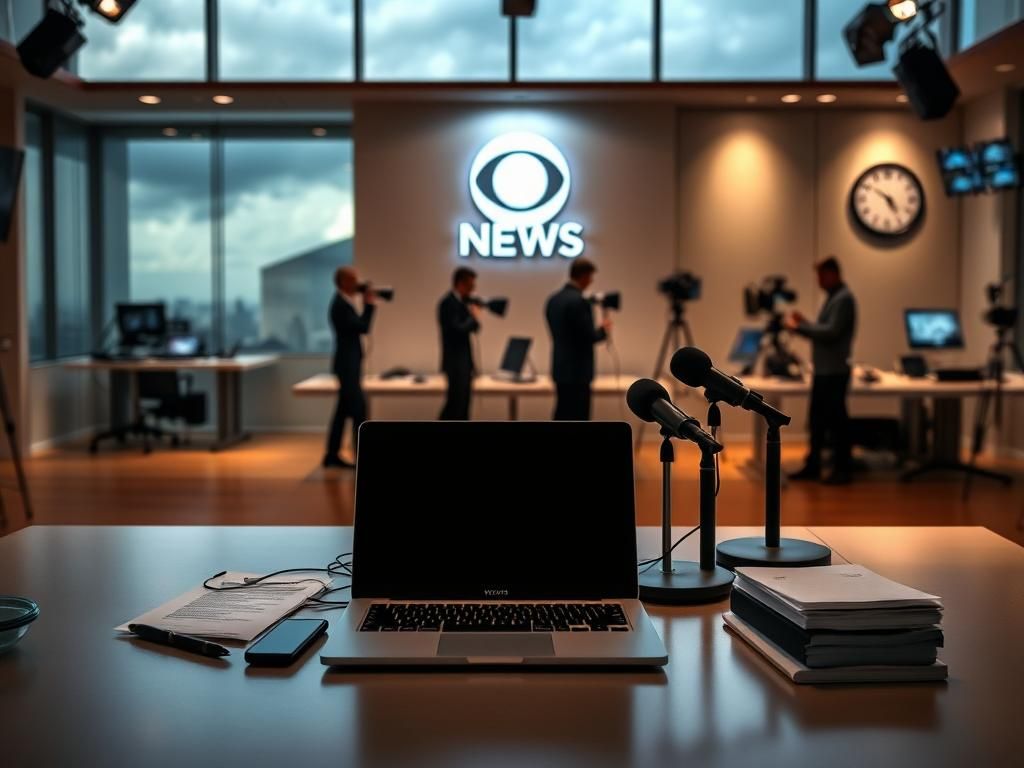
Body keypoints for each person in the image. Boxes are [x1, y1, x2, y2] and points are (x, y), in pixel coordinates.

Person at [784, 256, 857, 485]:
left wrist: (800, 327)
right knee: (817, 421)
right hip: (826, 370)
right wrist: (804, 323)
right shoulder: (835, 298)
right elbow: (825, 329)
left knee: (836, 422)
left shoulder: (843, 299)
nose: (818, 280)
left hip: (833, 371)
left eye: (821, 275)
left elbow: (831, 332)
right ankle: (814, 465)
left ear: (833, 274)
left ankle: (842, 470)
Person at [545, 258, 613, 420]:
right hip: (578, 371)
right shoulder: (580, 302)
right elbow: (588, 336)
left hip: (560, 366)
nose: (591, 281)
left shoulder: (553, 300)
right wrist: (603, 331)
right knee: (579, 418)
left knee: (561, 412)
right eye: (590, 276)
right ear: (583, 276)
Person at [323, 266, 376, 469]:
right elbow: (363, 327)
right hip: (347, 366)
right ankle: (357, 455)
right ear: (343, 282)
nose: (358, 283)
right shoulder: (340, 305)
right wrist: (369, 305)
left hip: (349, 364)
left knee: (343, 411)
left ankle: (331, 455)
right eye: (354, 279)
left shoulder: (344, 303)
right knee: (358, 411)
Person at [438, 267, 481, 420]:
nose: (473, 289)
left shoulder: (463, 303)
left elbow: (475, 328)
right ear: (460, 284)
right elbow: (457, 330)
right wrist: (473, 317)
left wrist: (473, 317)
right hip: (455, 364)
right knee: (455, 406)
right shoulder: (447, 303)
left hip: (464, 363)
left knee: (463, 407)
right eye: (470, 286)